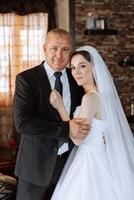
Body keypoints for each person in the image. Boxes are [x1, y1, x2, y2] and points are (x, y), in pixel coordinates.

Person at [13, 28, 90, 200]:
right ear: (44, 48)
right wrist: (65, 129)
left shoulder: (77, 79)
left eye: (65, 50)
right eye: (54, 48)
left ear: (71, 51)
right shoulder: (26, 79)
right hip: (34, 169)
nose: (59, 55)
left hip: (69, 167)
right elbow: (22, 123)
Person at [50, 45, 134, 200]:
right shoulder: (100, 95)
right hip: (100, 156)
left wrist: (60, 107)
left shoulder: (90, 98)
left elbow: (77, 138)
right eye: (73, 67)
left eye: (82, 66)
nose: (76, 72)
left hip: (90, 162)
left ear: (93, 67)